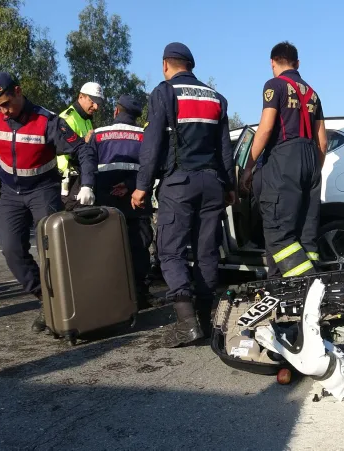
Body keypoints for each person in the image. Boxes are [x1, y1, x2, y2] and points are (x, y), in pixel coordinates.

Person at [0, 72, 97, 332]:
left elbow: (83, 150)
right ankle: (46, 300)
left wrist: (88, 184)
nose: (4, 111)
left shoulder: (47, 121)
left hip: (43, 190)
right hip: (10, 194)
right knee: (11, 249)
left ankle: (66, 306)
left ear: (19, 91)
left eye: (6, 104)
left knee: (52, 252)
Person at [131, 42, 236, 348]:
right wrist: (230, 187)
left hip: (179, 183)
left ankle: (187, 323)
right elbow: (225, 150)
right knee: (207, 253)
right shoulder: (216, 98)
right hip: (213, 184)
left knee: (170, 251)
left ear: (166, 65)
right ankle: (205, 319)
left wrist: (142, 185)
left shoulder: (164, 92)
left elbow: (152, 145)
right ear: (191, 66)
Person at [240, 41, 327, 278]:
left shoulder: (274, 85)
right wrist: (313, 171)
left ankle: (312, 285)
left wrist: (248, 167)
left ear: (272, 63)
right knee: (305, 237)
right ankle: (285, 291)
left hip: (284, 161)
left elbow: (266, 128)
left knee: (278, 233)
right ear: (297, 63)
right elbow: (322, 142)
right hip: (312, 160)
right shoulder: (313, 94)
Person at [87, 94, 153, 310]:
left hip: (105, 202)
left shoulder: (98, 135)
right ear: (136, 116)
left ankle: (112, 295)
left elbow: (88, 165)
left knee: (107, 248)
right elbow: (151, 168)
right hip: (136, 201)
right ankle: (141, 295)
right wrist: (129, 184)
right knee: (139, 247)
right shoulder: (144, 137)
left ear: (116, 111)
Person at [57, 82, 103, 210]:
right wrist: (85, 141)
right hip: (68, 182)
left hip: (81, 179)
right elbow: (65, 147)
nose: (96, 107)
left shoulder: (86, 119)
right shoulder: (67, 118)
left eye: (98, 103)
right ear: (81, 97)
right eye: (92, 101)